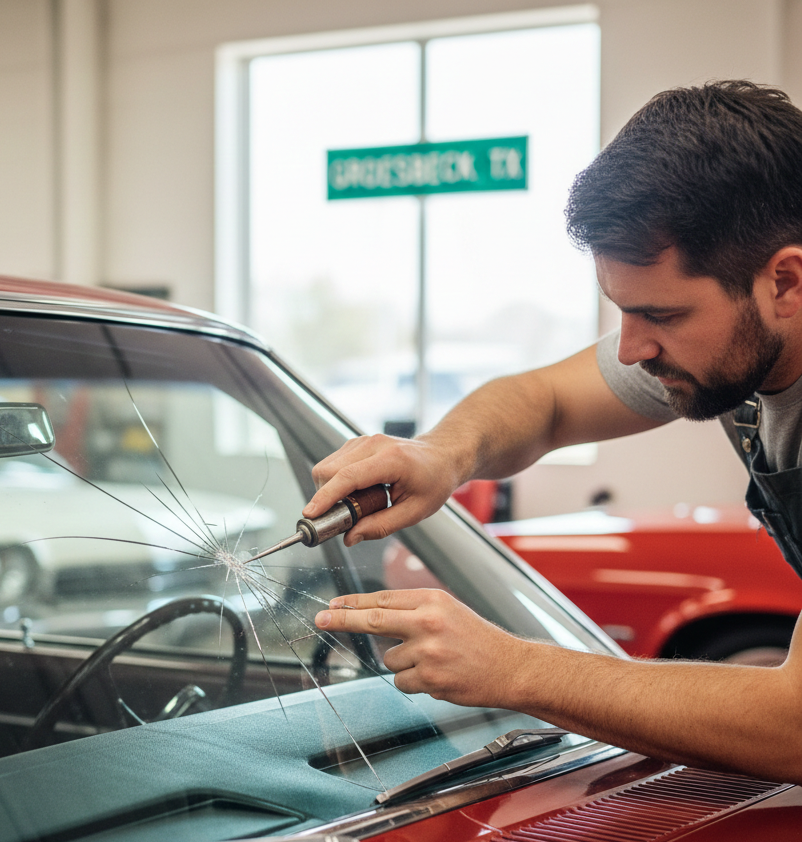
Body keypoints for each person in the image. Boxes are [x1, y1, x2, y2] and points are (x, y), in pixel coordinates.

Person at [308, 81, 802, 784]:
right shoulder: (738, 340)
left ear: (785, 282)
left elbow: (795, 727)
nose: (631, 350)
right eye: (623, 312)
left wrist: (513, 669)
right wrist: (440, 455)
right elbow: (544, 401)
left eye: (660, 316)